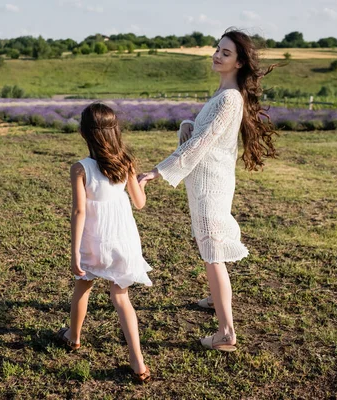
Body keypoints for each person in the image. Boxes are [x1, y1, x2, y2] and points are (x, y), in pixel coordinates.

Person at [138, 28, 277, 352]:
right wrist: (187, 125)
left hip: (211, 184)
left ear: (240, 62)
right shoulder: (224, 94)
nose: (217, 55)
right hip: (207, 180)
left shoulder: (229, 98)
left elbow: (202, 143)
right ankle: (216, 299)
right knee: (207, 245)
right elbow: (204, 133)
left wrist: (159, 171)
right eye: (217, 49)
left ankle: (226, 333)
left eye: (225, 53)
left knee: (212, 249)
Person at [57, 102, 152, 383]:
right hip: (123, 240)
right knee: (121, 298)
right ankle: (138, 363)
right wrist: (141, 182)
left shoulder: (80, 168)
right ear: (115, 131)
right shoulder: (126, 161)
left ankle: (73, 337)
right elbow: (140, 202)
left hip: (94, 241)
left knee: (83, 288)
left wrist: (74, 252)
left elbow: (79, 212)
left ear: (84, 133)